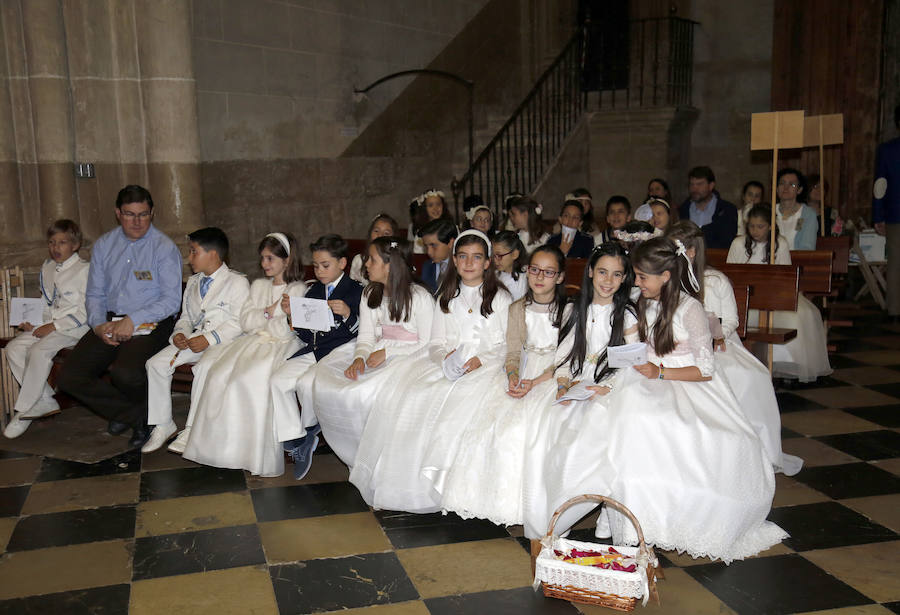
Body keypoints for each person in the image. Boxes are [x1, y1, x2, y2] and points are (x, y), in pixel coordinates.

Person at [597, 237, 786, 562]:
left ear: (666, 276)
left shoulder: (691, 309)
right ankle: (628, 514)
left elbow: (706, 368)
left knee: (685, 432)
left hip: (684, 382)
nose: (636, 282)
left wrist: (660, 373)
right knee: (625, 422)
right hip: (645, 377)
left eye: (642, 276)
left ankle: (678, 515)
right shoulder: (644, 301)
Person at [351, 229, 512, 513]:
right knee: (413, 400)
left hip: (487, 367)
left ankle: (454, 486)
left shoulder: (498, 298)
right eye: (462, 257)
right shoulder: (446, 297)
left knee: (456, 411)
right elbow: (435, 342)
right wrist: (444, 357)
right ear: (454, 260)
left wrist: (480, 361)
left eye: (476, 258)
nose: (469, 263)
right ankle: (409, 487)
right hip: (449, 365)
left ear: (488, 263)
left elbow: (506, 345)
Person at [435, 245, 568, 526]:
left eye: (548, 272)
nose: (539, 277)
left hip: (552, 374)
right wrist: (512, 375)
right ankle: (488, 499)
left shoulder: (568, 310)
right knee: (490, 425)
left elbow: (567, 357)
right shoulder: (518, 308)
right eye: (534, 270)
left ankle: (533, 505)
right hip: (522, 371)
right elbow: (513, 351)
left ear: (559, 277)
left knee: (528, 429)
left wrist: (535, 381)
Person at [522, 242, 637, 539]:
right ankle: (557, 511)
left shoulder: (627, 315)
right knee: (550, 430)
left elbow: (632, 363)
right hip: (577, 382)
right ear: (590, 272)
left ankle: (601, 507)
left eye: (615, 275)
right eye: (602, 272)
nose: (607, 281)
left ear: (624, 278)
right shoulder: (575, 308)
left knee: (593, 435)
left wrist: (605, 387)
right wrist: (563, 383)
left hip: (611, 386)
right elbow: (563, 356)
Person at [669, 221, 802, 475]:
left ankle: (739, 448)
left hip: (719, 343)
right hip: (679, 346)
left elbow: (731, 319)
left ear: (691, 251)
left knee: (744, 376)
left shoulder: (716, 280)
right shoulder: (667, 280)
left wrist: (715, 335)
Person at [58, 185, 181, 449]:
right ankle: (140, 417)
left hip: (153, 321)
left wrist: (134, 319)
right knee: (70, 376)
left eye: (143, 215)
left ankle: (133, 415)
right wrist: (98, 324)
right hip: (110, 320)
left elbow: (171, 300)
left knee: (126, 374)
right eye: (129, 215)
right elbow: (94, 294)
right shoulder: (104, 245)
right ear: (117, 213)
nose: (137, 222)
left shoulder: (163, 247)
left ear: (152, 213)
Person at [175, 232, 306, 475]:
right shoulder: (258, 286)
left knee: (246, 380)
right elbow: (246, 322)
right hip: (252, 341)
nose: (264, 264)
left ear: (287, 261)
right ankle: (217, 448)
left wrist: (267, 318)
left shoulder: (297, 289)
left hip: (281, 345)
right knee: (219, 374)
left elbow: (286, 330)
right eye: (263, 259)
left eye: (270, 259)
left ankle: (249, 452)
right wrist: (269, 314)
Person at [312, 237, 434, 468]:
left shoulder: (419, 297)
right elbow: (366, 336)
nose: (366, 264)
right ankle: (359, 456)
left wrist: (388, 352)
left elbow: (428, 343)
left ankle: (385, 459)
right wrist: (359, 357)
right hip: (375, 352)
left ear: (390, 265)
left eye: (372, 259)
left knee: (368, 394)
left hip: (410, 359)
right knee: (338, 385)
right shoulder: (370, 294)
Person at [141, 228, 250, 453]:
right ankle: (163, 423)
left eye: (193, 252)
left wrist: (209, 338)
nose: (189, 258)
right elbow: (186, 318)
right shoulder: (192, 282)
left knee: (202, 369)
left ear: (213, 254)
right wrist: (179, 334)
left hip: (224, 343)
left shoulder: (237, 282)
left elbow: (239, 322)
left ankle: (192, 428)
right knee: (155, 364)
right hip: (194, 341)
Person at [272, 234, 364, 479]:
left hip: (340, 352)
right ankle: (296, 437)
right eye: (316, 266)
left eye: (326, 265)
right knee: (277, 381)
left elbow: (365, 332)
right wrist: (293, 315)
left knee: (306, 383)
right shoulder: (313, 291)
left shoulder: (356, 291)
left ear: (342, 263)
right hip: (314, 350)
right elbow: (305, 333)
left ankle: (310, 429)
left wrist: (347, 314)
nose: (320, 271)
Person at [3, 220, 90, 439]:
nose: (55, 248)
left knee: (38, 351)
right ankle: (43, 399)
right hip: (50, 327)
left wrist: (54, 325)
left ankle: (22, 410)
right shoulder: (48, 268)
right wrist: (35, 321)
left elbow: (86, 311)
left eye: (62, 242)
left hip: (74, 329)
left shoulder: (85, 270)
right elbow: (48, 303)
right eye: (51, 242)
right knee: (14, 348)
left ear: (76, 245)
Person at [728, 207, 832, 383]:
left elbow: (785, 278)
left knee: (798, 317)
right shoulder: (738, 243)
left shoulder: (780, 243)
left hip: (774, 298)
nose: (755, 231)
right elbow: (730, 273)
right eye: (752, 226)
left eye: (760, 226)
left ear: (770, 226)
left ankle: (783, 365)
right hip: (747, 298)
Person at [873, 104, 900, 319]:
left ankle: (894, 309)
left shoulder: (887, 150)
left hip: (894, 213)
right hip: (894, 214)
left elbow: (880, 186)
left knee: (895, 264)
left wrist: (878, 215)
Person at [678, 166, 738, 250]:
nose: (694, 189)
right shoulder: (683, 210)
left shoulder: (727, 210)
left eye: (699, 184)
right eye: (691, 184)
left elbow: (727, 241)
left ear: (711, 185)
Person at [775, 167, 818, 250]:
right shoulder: (769, 211)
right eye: (782, 183)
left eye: (792, 184)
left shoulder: (807, 215)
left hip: (797, 261)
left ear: (799, 190)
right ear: (776, 188)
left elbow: (807, 247)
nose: (786, 187)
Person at [349, 214, 398, 285]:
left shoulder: (396, 261)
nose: (380, 236)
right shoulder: (358, 260)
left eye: (386, 233)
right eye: (376, 231)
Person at [419, 218, 458, 294]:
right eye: (426, 246)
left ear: (450, 243)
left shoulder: (462, 267)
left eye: (433, 245)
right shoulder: (427, 266)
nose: (429, 252)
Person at [409, 189, 453, 254]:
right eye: (430, 205)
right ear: (425, 209)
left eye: (438, 204)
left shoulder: (452, 228)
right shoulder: (421, 233)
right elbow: (419, 255)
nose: (435, 208)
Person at [492, 231, 529, 301]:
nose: (495, 260)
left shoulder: (526, 276)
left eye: (499, 256)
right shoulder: (494, 275)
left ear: (514, 254)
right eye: (493, 255)